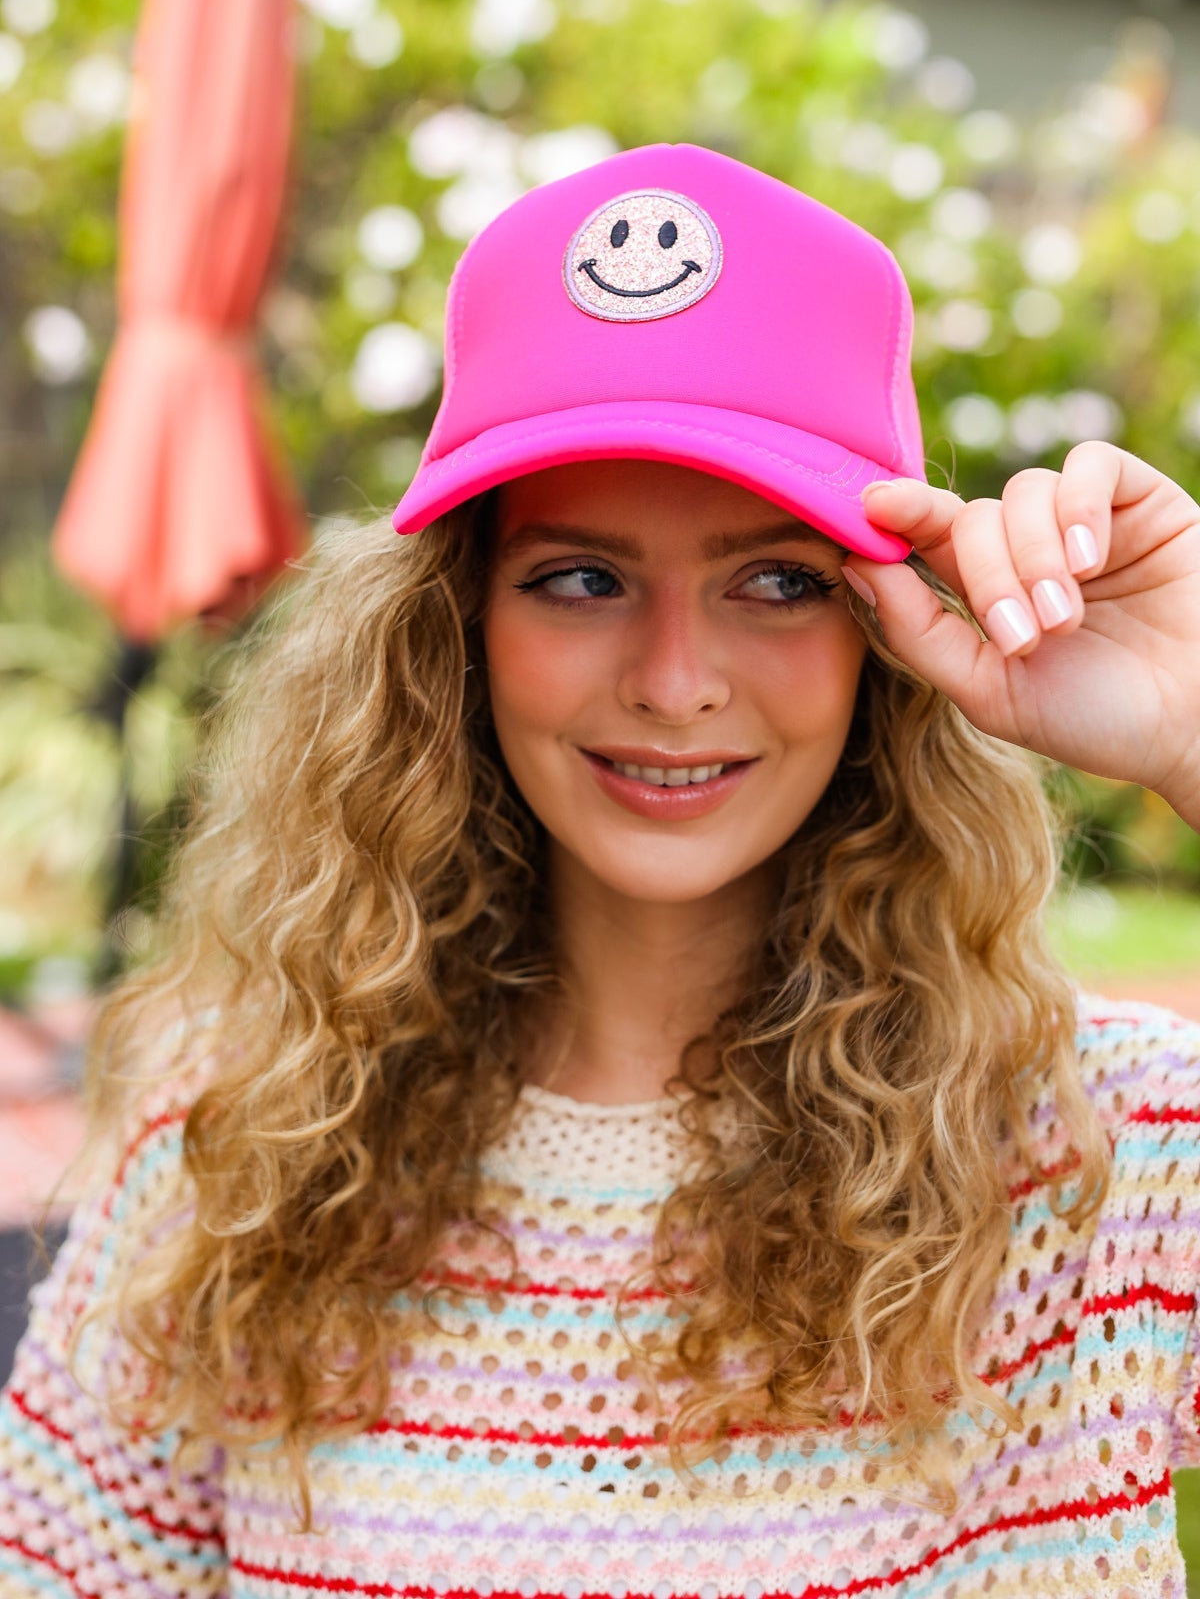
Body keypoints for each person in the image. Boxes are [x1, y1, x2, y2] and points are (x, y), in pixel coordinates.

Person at [2, 142, 1199, 1599]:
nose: (674, 681)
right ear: (458, 624)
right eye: (581, 578)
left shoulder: (1111, 1152)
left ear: (883, 635)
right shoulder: (234, 1144)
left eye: (778, 582)